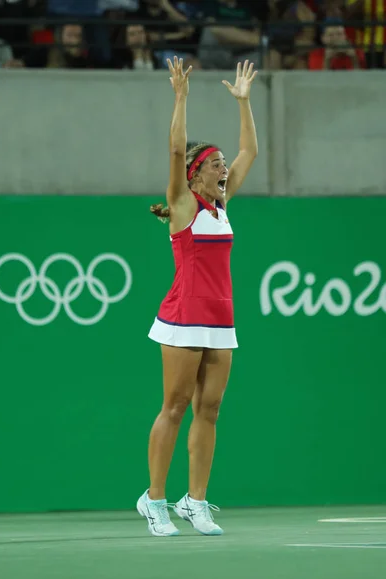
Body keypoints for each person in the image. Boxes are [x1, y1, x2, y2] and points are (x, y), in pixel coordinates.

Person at [137, 57, 258, 536]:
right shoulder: (184, 206)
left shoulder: (223, 205)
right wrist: (181, 97)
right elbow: (173, 147)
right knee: (175, 406)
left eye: (222, 163)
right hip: (183, 317)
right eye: (214, 163)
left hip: (220, 321)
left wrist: (245, 103)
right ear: (193, 175)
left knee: (209, 410)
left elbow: (250, 149)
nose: (224, 167)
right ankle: (156, 500)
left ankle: (196, 501)